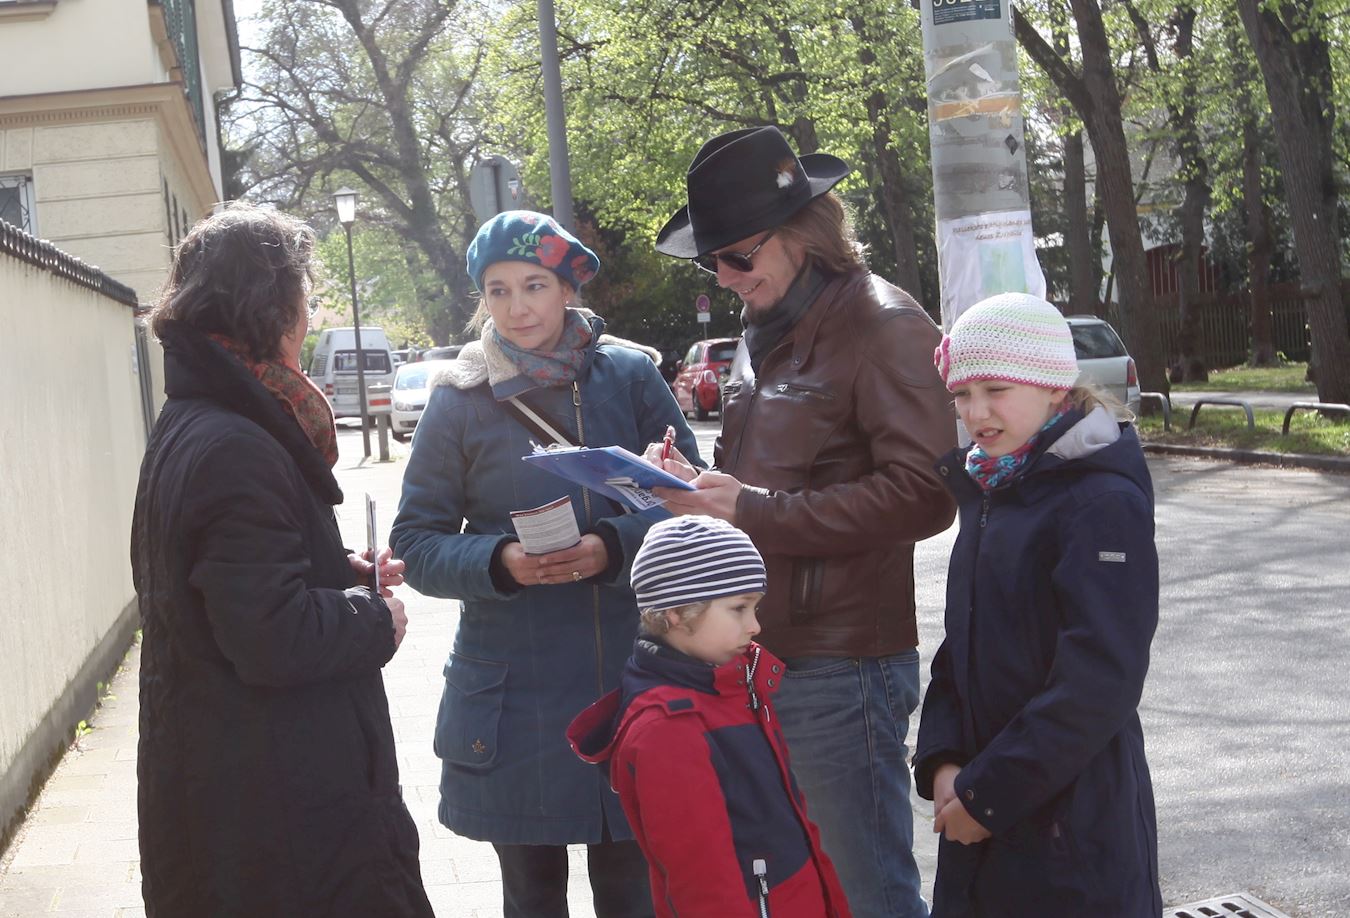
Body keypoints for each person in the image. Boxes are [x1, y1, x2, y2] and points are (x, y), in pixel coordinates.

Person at [645, 125, 956, 916]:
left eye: (736, 257)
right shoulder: (765, 328)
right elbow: (759, 479)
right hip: (765, 652)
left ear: (801, 233)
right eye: (710, 263)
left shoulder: (883, 323)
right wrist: (693, 489)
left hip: (841, 668)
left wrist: (750, 509)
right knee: (802, 894)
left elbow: (928, 494)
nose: (724, 277)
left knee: (866, 895)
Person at [389, 210, 698, 917]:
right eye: (497, 290)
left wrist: (612, 545)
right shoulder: (458, 400)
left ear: (567, 288)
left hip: (632, 678)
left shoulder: (630, 377)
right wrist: (499, 561)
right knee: (531, 899)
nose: (517, 307)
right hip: (514, 696)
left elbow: (692, 498)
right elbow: (416, 542)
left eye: (534, 285)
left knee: (635, 896)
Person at [130, 202, 433, 917]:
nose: (308, 314)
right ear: (275, 308)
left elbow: (224, 583)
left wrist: (334, 572)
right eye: (303, 295)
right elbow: (269, 635)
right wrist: (374, 619)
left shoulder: (198, 418)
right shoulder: (236, 441)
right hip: (282, 812)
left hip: (237, 788)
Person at [913, 293, 1162, 916]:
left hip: (1068, 830)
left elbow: (1099, 680)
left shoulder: (1100, 502)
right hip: (980, 805)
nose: (976, 412)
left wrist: (987, 796)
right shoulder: (993, 485)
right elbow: (962, 642)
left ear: (1054, 386)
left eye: (996, 389)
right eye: (962, 395)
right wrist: (943, 760)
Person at [566, 516, 851, 917]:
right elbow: (702, 885)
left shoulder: (735, 685)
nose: (755, 625)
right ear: (677, 612)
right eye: (738, 608)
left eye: (754, 607)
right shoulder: (668, 730)